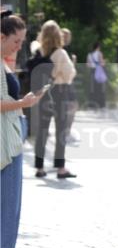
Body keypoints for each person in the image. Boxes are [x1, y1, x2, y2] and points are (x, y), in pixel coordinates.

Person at [2, 14, 42, 248]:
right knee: (9, 208)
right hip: (7, 145)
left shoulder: (4, 64)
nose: (19, 46)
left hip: (10, 140)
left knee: (7, 207)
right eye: (16, 41)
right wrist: (23, 104)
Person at [28, 21, 77, 178]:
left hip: (44, 92)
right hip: (59, 92)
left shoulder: (38, 51)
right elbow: (69, 74)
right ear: (58, 35)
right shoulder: (60, 53)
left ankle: (39, 167)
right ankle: (60, 168)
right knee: (60, 130)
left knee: (42, 130)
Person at [86, 41, 107, 110]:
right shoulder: (99, 54)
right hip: (98, 72)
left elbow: (87, 65)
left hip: (92, 72)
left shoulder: (89, 55)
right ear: (98, 47)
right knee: (100, 89)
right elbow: (102, 63)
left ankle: (91, 105)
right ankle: (101, 105)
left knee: (92, 89)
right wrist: (104, 62)